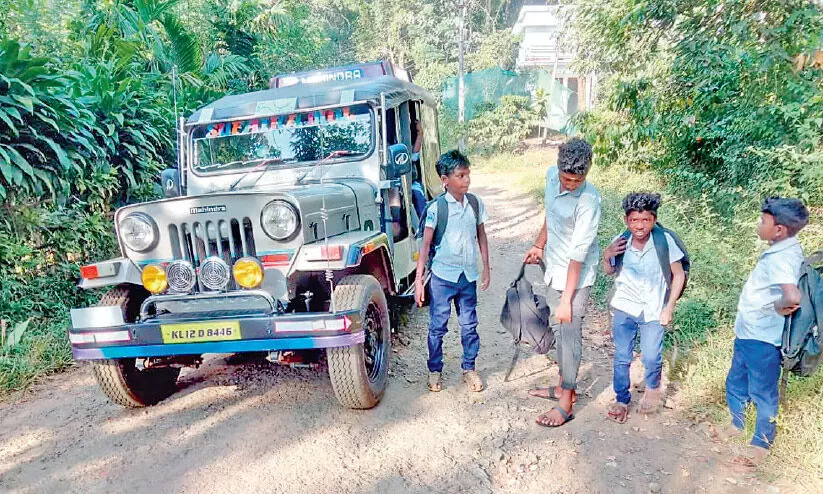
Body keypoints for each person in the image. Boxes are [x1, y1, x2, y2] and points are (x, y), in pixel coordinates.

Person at [721, 197, 807, 468]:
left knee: (763, 391)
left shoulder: (781, 258)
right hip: (750, 332)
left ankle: (761, 444)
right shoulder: (782, 250)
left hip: (763, 337)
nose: (759, 224)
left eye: (763, 221)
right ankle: (737, 423)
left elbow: (792, 296)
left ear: (779, 229)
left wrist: (779, 307)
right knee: (737, 381)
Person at [524, 138, 601, 427]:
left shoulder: (589, 202)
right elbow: (551, 214)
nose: (569, 184)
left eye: (576, 180)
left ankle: (566, 402)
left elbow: (577, 257)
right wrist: (539, 244)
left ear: (587, 173)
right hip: (555, 268)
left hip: (577, 276)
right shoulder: (549, 177)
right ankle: (561, 386)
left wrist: (567, 299)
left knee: (569, 332)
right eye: (565, 178)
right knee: (559, 327)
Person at [601, 193, 686, 424]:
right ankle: (622, 399)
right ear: (626, 220)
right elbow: (609, 271)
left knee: (651, 356)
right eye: (634, 220)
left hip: (653, 308)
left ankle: (652, 388)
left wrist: (669, 307)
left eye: (646, 220)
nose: (640, 226)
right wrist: (607, 256)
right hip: (624, 307)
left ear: (654, 219)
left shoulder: (664, 242)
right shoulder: (621, 240)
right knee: (622, 356)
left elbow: (678, 275)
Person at [414, 150, 491, 393]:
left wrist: (486, 267)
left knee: (469, 325)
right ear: (445, 180)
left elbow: (481, 236)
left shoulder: (475, 204)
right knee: (438, 326)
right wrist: (419, 281)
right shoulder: (437, 209)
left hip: (467, 276)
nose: (466, 180)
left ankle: (469, 368)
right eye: (460, 176)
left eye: (468, 174)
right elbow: (425, 246)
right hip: (443, 278)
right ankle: (434, 369)